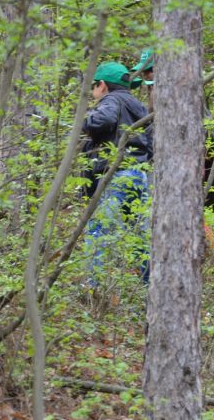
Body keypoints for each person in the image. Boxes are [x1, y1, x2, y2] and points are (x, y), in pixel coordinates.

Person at [83, 61, 153, 285]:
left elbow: (103, 120)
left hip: (118, 177)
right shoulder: (137, 106)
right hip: (138, 176)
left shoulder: (111, 101)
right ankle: (149, 287)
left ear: (102, 85)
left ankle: (92, 288)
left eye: (94, 85)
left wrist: (83, 122)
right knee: (136, 238)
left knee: (97, 230)